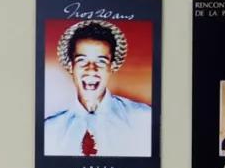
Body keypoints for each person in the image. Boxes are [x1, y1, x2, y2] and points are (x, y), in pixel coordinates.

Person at [44, 21, 152, 157]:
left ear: (112, 66)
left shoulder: (144, 119)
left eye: (101, 61)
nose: (91, 69)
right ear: (71, 67)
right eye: (82, 60)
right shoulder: (49, 130)